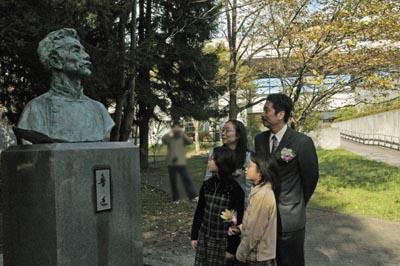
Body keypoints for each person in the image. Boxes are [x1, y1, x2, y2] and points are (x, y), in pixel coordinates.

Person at [16, 28, 114, 142]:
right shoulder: (36, 109)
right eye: (76, 51)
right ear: (55, 61)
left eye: (84, 50)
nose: (86, 55)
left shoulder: (99, 110)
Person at [254, 93, 319, 266]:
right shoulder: (259, 140)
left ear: (281, 114)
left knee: (290, 261)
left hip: (289, 217)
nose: (263, 114)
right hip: (263, 214)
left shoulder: (301, 142)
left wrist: (297, 202)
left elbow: (310, 178)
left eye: (267, 110)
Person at [191, 146, 245, 265]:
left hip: (222, 242)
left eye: (212, 159)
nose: (208, 161)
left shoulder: (235, 190)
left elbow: (237, 221)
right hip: (204, 237)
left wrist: (231, 248)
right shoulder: (207, 185)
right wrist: (194, 235)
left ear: (221, 162)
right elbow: (200, 211)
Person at [230, 152, 278, 265]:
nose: (246, 168)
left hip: (257, 256)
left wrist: (240, 254)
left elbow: (254, 232)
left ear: (261, 171)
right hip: (254, 253)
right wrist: (240, 228)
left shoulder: (263, 195)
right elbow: (254, 221)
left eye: (250, 166)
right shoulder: (259, 190)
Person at [205, 119, 252, 205]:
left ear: (238, 135)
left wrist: (245, 205)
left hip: (239, 202)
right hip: (217, 201)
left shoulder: (248, 156)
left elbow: (249, 185)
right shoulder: (214, 152)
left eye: (227, 130)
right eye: (223, 130)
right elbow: (208, 178)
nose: (223, 133)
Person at [162, 122, 198, 203]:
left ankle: (193, 196)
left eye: (178, 128)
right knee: (173, 181)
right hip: (171, 163)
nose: (176, 130)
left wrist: (183, 133)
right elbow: (163, 139)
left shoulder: (182, 137)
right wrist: (170, 132)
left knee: (186, 179)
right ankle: (176, 198)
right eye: (175, 128)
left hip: (181, 162)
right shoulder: (169, 138)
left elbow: (190, 141)